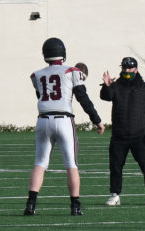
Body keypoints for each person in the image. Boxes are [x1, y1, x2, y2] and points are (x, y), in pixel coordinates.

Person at [25, 37, 106, 216]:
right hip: (64, 120)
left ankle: (30, 205)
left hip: (43, 120)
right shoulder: (72, 71)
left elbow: (41, 95)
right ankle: (75, 206)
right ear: (63, 53)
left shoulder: (36, 75)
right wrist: (97, 120)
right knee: (71, 163)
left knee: (40, 162)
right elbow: (83, 98)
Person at [100, 56, 145, 207]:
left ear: (136, 70)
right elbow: (106, 97)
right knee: (115, 166)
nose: (127, 71)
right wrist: (106, 85)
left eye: (129, 68)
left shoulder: (144, 87)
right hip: (119, 135)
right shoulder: (116, 85)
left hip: (139, 135)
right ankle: (115, 195)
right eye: (124, 68)